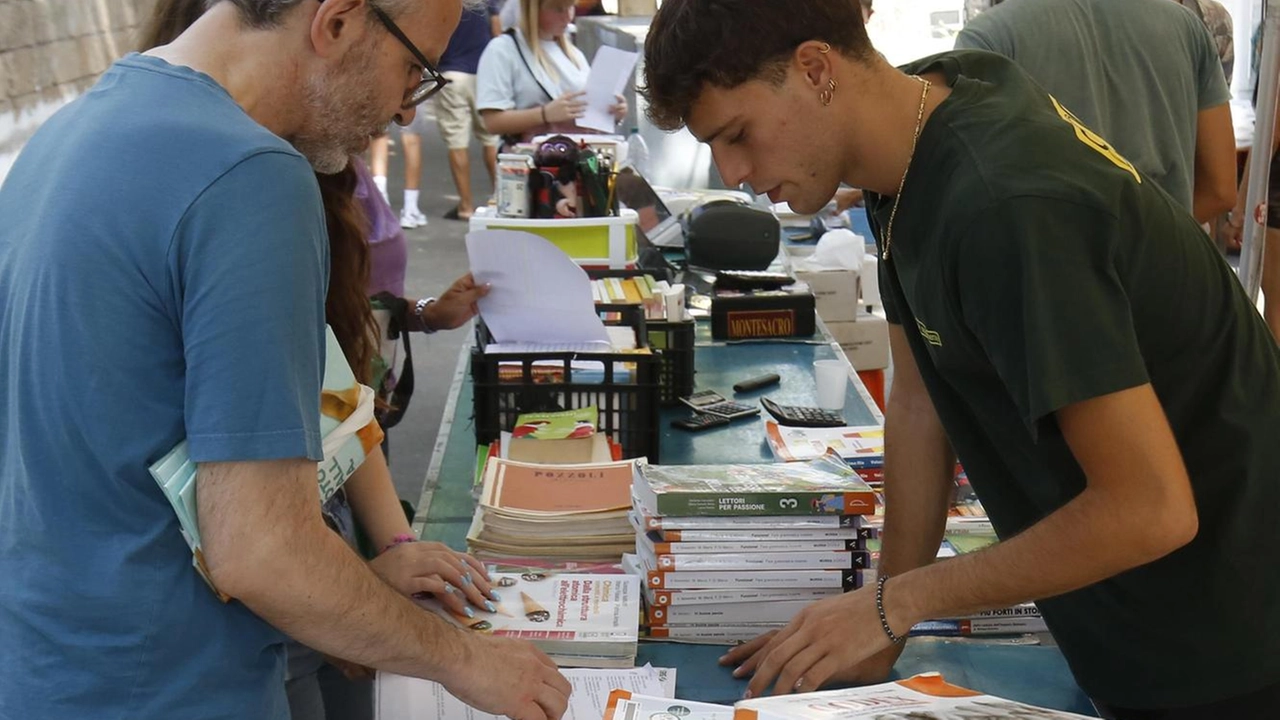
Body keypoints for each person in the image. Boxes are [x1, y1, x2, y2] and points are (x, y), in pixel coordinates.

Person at [640, 1, 1280, 717]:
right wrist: (882, 613)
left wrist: (900, 602)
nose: (734, 172)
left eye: (738, 134)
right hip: (1125, 620)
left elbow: (1150, 508)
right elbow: (918, 402)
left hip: (1225, 633)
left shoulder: (1006, 203)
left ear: (817, 68)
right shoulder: (917, 130)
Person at [0, 1, 571, 719]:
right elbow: (263, 550)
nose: (403, 113)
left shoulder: (67, 135)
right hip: (170, 687)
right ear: (336, 23)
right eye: (413, 71)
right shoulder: (251, 176)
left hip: (47, 669)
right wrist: (467, 660)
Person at [955, 0, 1237, 226]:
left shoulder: (990, 36)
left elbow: (973, 195)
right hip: (1166, 273)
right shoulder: (1186, 26)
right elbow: (1221, 189)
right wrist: (1146, 245)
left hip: (1051, 277)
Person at [476, 0, 626, 144]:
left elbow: (586, 110)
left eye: (571, 7)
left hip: (579, 157)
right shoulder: (502, 50)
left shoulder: (573, 54)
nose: (568, 16)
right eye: (558, 9)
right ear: (534, 9)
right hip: (532, 162)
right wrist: (544, 114)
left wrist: (613, 112)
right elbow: (492, 122)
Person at [435, 0, 503, 221]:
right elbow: (497, 30)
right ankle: (502, 199)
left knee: (457, 141)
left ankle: (465, 205)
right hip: (484, 73)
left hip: (452, 71)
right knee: (491, 138)